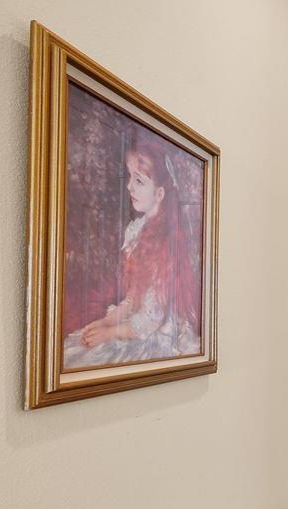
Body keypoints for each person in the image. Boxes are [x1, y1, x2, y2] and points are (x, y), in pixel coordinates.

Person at [63, 131, 201, 369]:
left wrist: (109, 333)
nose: (129, 187)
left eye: (139, 181)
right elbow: (133, 298)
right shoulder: (136, 230)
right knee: (77, 349)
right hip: (135, 322)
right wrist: (106, 322)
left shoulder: (166, 242)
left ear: (160, 193)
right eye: (129, 177)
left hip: (156, 334)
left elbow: (151, 320)